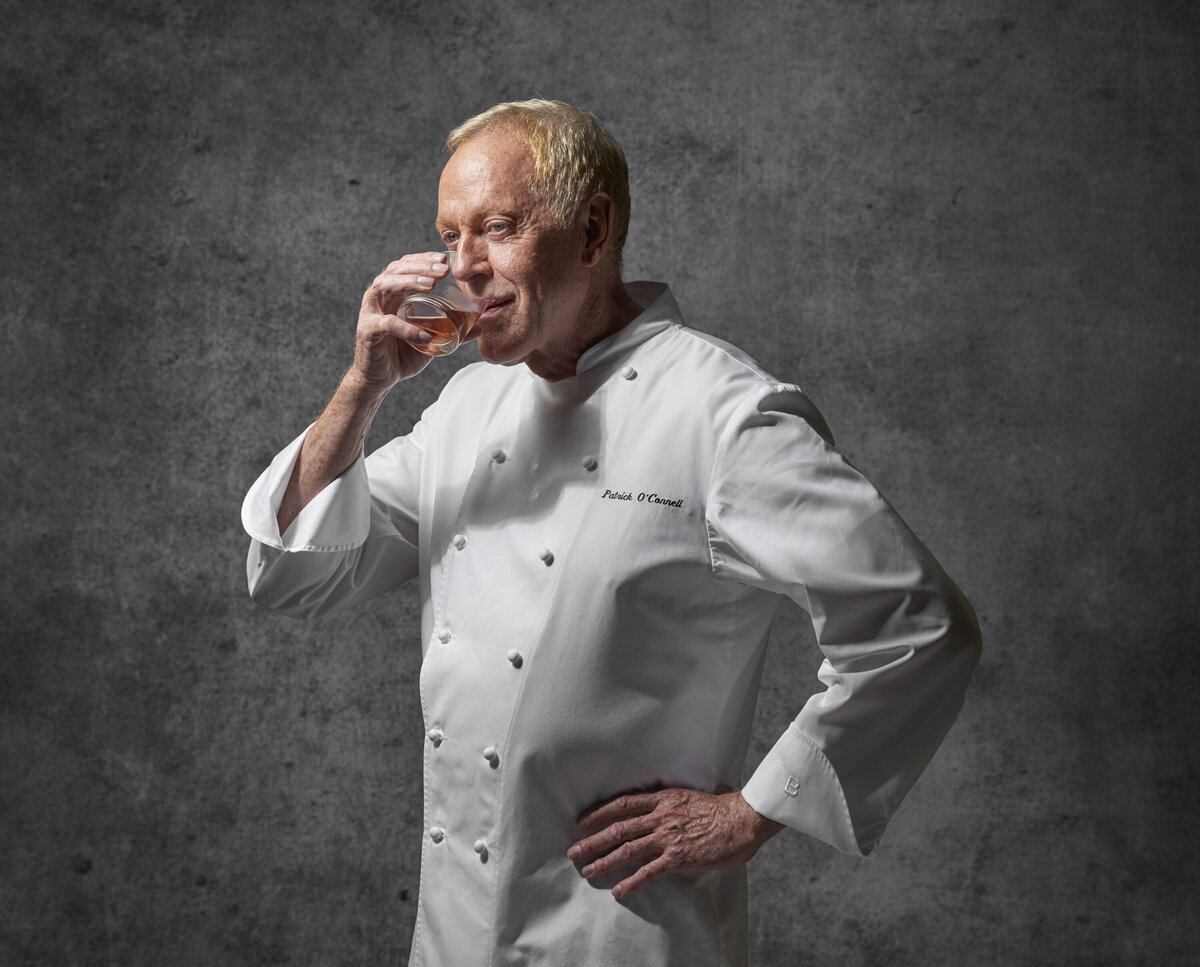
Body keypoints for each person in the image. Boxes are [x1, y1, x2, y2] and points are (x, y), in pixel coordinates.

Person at [241, 99, 981, 967]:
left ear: (593, 229)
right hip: (453, 932)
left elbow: (918, 624)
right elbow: (292, 571)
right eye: (450, 237)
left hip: (622, 931)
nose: (463, 268)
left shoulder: (723, 414)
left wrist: (754, 810)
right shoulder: (469, 405)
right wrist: (364, 386)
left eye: (499, 228)